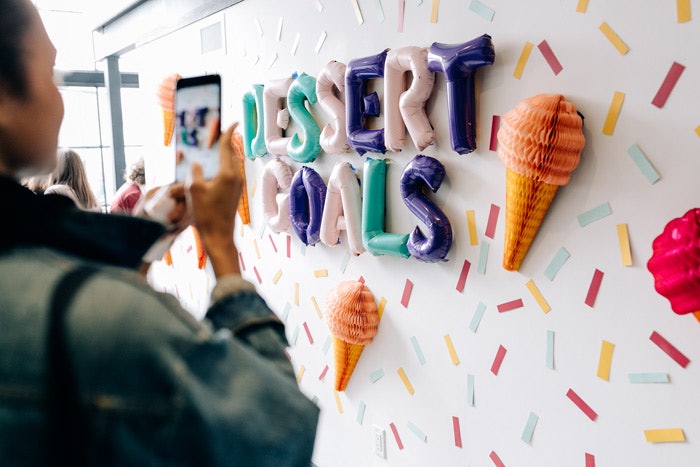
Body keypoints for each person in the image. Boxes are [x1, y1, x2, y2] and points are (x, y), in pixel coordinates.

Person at [0, 1, 319, 465]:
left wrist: (149, 236)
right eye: (51, 74)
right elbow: (279, 434)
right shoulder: (109, 321)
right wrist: (221, 248)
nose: (60, 99)